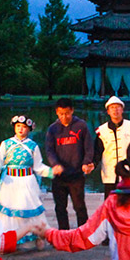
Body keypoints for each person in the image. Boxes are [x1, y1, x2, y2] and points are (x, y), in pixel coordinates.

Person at [0, 115, 54, 251]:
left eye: (24, 127)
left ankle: (38, 236)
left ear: (29, 129)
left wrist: (52, 172)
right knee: (9, 211)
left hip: (27, 182)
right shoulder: (6, 144)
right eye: (18, 126)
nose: (21, 129)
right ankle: (8, 240)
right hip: (9, 182)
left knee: (30, 207)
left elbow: (38, 167)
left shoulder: (32, 146)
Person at [44, 98, 93, 229]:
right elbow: (49, 150)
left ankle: (84, 233)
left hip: (76, 174)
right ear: (56, 113)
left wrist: (86, 162)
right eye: (61, 114)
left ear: (72, 111)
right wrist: (55, 164)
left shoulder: (81, 126)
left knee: (79, 206)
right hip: (59, 176)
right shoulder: (53, 129)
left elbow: (88, 147)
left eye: (67, 113)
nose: (64, 117)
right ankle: (63, 234)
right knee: (60, 207)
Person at [95, 96, 130, 198]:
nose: (115, 110)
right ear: (108, 111)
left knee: (129, 202)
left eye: (118, 107)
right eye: (112, 108)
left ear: (122, 110)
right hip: (109, 172)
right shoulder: (101, 131)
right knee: (110, 202)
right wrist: (92, 164)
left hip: (129, 171)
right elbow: (97, 151)